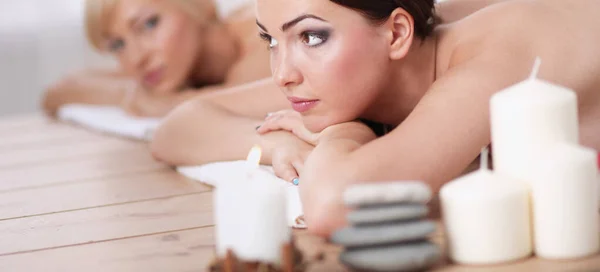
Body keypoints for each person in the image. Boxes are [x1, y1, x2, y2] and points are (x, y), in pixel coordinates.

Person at [153, 0, 600, 237]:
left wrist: (340, 133)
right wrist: (278, 144)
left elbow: (334, 206)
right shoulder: (351, 62)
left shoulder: (491, 52)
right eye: (272, 40)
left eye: (310, 35)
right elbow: (178, 125)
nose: (282, 74)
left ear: (398, 33)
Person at [42, 0, 271, 117]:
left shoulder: (267, 37)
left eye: (149, 24)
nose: (136, 58)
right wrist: (130, 96)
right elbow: (58, 90)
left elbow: (248, 104)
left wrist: (155, 103)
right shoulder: (171, 62)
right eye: (118, 44)